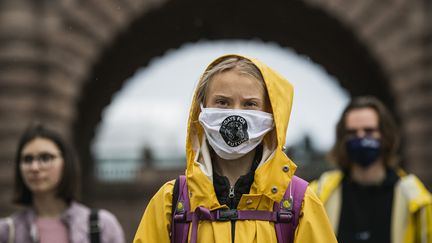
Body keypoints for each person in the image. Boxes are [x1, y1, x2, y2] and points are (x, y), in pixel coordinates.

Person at [133, 54, 337, 242]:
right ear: (201, 109)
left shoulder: (298, 203)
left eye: (249, 104)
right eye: (222, 102)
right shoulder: (171, 201)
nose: (235, 115)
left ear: (272, 115)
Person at [310, 96, 432, 243]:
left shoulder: (415, 198)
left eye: (369, 131)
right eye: (352, 132)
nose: (361, 137)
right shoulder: (320, 195)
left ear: (385, 135)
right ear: (342, 138)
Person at [0, 124, 125, 243]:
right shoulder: (7, 232)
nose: (34, 167)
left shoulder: (102, 226)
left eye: (45, 158)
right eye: (27, 159)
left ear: (66, 162)